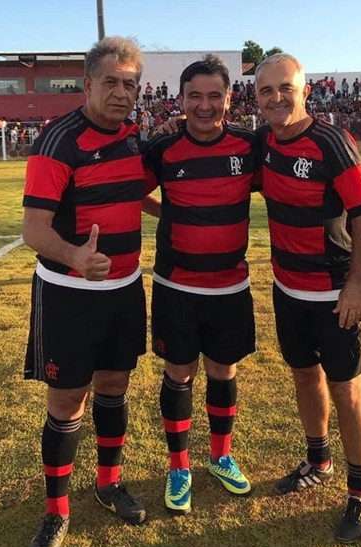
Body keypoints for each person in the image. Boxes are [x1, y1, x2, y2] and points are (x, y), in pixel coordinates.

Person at [21, 36, 148, 547]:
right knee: (67, 400)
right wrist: (76, 257)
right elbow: (33, 229)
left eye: (131, 83)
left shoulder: (135, 138)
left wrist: (176, 210)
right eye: (112, 82)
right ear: (89, 83)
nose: (122, 93)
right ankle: (56, 511)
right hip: (71, 294)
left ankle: (108, 484)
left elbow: (133, 193)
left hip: (125, 289)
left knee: (115, 386)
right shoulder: (58, 141)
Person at [255, 53, 361, 543]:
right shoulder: (263, 143)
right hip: (287, 290)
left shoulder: (331, 142)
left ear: (304, 90)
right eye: (267, 90)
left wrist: (358, 283)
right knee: (304, 375)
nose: (276, 98)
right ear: (257, 99)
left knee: (347, 389)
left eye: (285, 87)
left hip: (334, 294)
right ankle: (318, 460)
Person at [142, 54, 259, 515]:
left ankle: (221, 456)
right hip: (177, 287)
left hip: (230, 288)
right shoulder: (162, 150)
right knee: (178, 374)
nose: (205, 106)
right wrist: (169, 213)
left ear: (229, 98)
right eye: (195, 96)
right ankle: (179, 466)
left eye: (215, 96)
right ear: (182, 99)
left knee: (223, 371)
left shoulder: (250, 147)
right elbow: (131, 187)